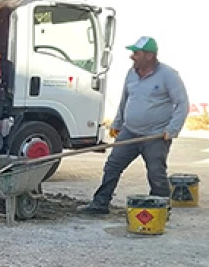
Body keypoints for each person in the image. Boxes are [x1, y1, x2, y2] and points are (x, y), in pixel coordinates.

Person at [79, 37, 189, 215]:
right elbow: (125, 99)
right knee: (113, 166)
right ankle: (100, 204)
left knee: (156, 172)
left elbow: (182, 104)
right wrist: (118, 123)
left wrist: (172, 129)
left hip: (156, 135)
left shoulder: (168, 75)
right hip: (130, 132)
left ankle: (161, 210)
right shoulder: (132, 73)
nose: (132, 57)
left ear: (149, 56)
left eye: (136, 53)